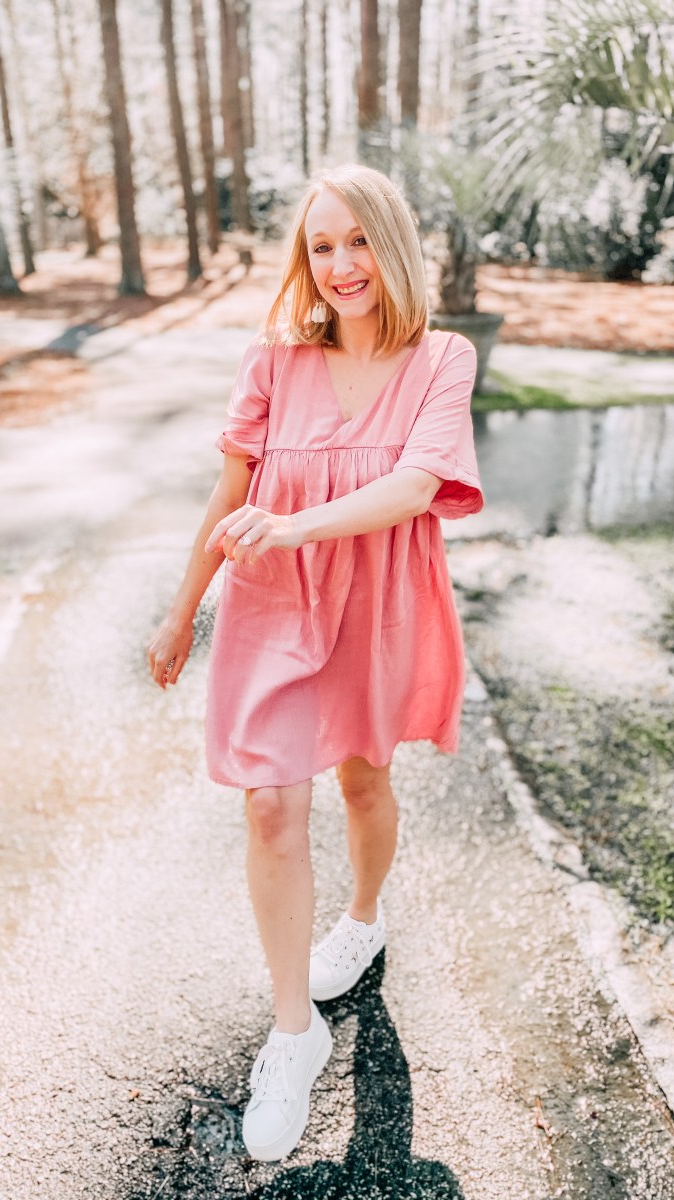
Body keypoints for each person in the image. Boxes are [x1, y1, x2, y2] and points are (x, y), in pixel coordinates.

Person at [146, 162, 483, 1163]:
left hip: (377, 603)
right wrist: (181, 611)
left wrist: (293, 524)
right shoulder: (273, 360)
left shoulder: (443, 358)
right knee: (269, 805)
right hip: (273, 606)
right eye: (322, 245)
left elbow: (416, 486)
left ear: (394, 243)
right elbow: (230, 497)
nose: (341, 265)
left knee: (364, 782)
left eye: (359, 240)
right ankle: (295, 1033)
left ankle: (363, 919)